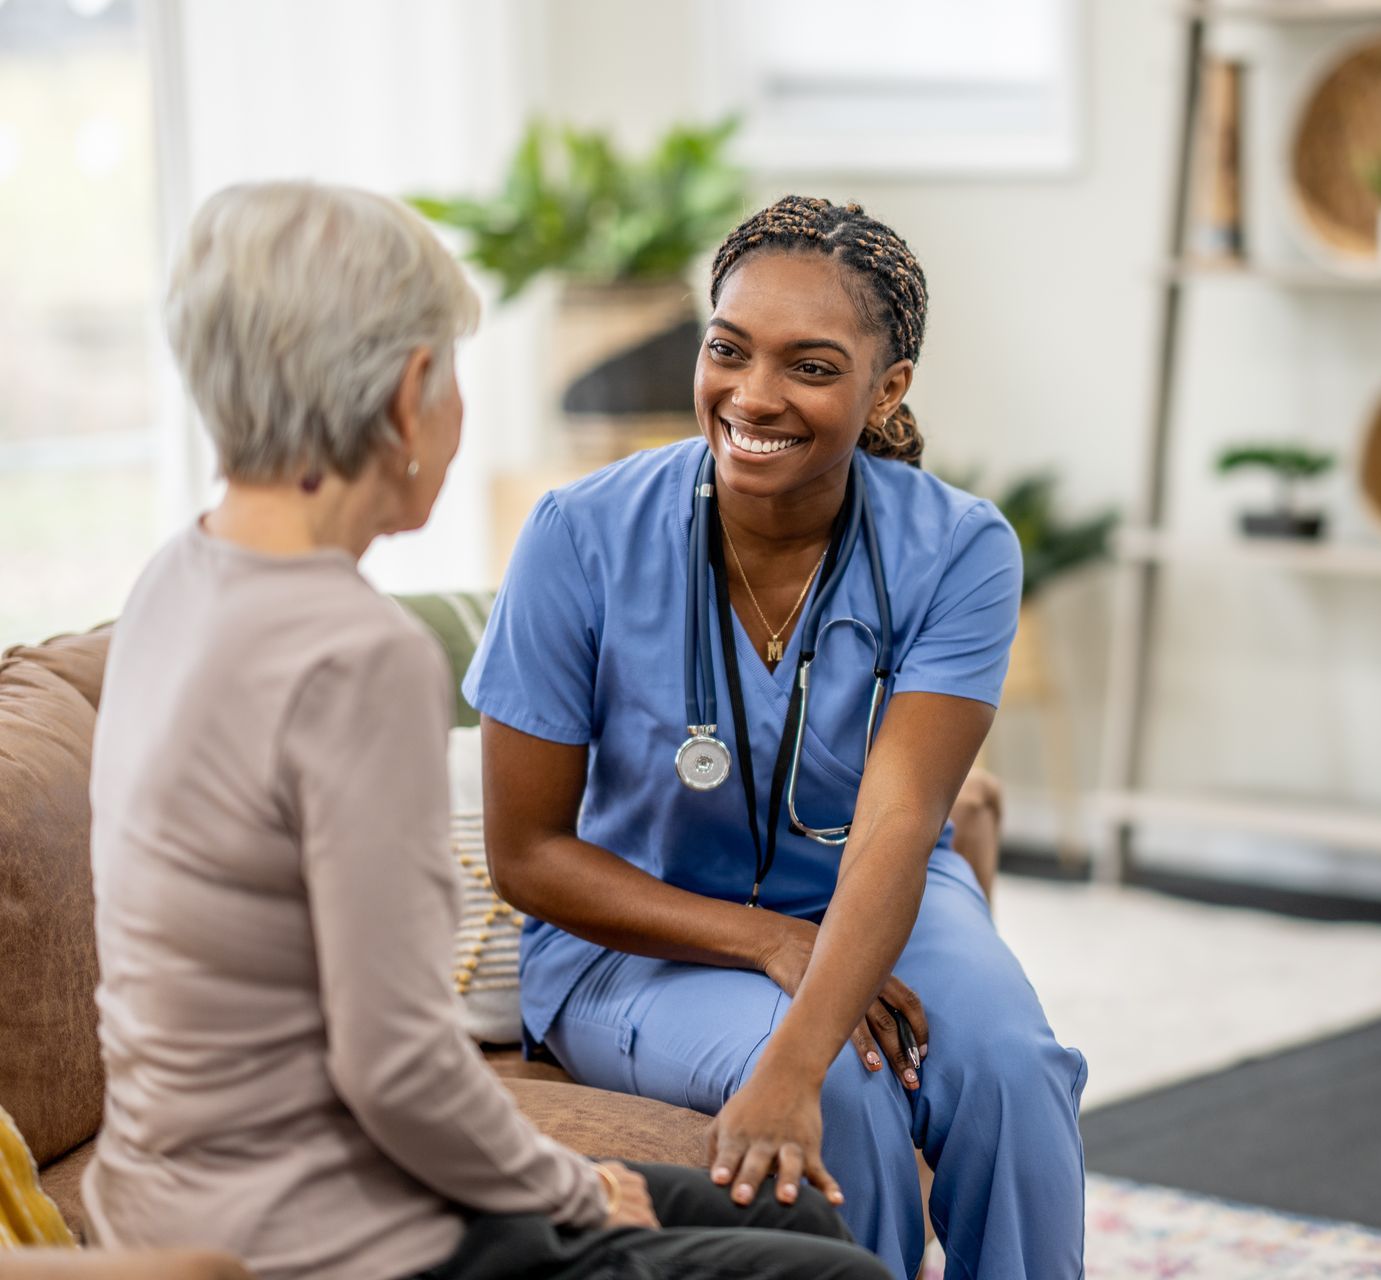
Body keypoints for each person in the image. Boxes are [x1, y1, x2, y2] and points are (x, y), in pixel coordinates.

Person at [86, 181, 889, 1280]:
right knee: (831, 1271)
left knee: (794, 1222)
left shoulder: (174, 578)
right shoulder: (349, 654)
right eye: (454, 372)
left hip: (168, 1189)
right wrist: (573, 1181)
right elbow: (400, 1065)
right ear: (411, 393)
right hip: (327, 1232)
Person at [467, 196, 1088, 1280]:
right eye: (728, 350)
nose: (753, 396)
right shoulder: (581, 535)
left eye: (810, 366)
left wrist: (810, 1005)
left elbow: (900, 823)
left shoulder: (958, 548)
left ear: (886, 388)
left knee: (1011, 1067)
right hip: (638, 941)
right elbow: (527, 852)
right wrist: (769, 946)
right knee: (845, 1095)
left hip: (875, 888)